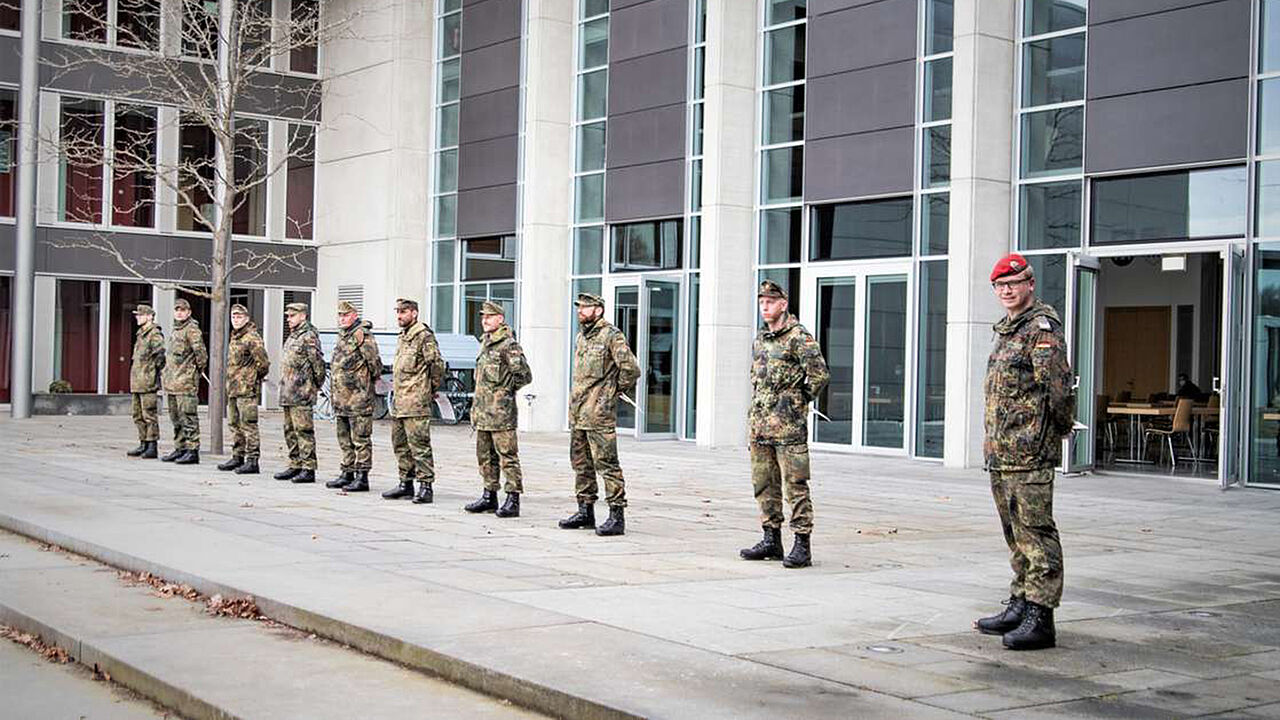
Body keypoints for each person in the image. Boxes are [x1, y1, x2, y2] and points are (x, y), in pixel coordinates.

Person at [975, 253, 1074, 651]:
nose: (1007, 291)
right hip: (1002, 451)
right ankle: (1020, 600)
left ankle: (1041, 615)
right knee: (1015, 533)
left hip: (1030, 450)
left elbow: (1057, 390)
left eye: (1013, 284)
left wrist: (1057, 432)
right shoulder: (1007, 329)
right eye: (1000, 286)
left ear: (1030, 284)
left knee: (1036, 532)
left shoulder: (1040, 329)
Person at [740, 280, 828, 569]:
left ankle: (802, 543)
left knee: (795, 485)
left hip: (788, 428)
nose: (764, 306)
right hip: (761, 426)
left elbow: (819, 375)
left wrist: (797, 402)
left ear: (783, 304)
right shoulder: (761, 338)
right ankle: (771, 538)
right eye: (761, 302)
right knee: (764, 485)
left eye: (770, 302)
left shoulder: (799, 338)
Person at [558, 292, 639, 536]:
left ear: (599, 310)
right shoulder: (581, 337)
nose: (581, 311)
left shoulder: (611, 336)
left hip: (599, 413)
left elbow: (631, 369)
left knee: (607, 463)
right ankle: (585, 511)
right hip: (579, 412)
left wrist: (611, 393)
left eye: (586, 307)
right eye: (580, 307)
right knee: (581, 463)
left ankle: (616, 515)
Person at [464, 301, 533, 518]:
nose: (484, 320)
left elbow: (524, 375)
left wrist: (504, 392)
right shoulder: (485, 342)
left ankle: (513, 499)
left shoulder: (508, 345)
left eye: (489, 317)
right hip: (483, 412)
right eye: (483, 316)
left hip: (501, 413)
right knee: (485, 457)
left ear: (500, 319)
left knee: (507, 457)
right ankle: (489, 496)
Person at [385, 298, 445, 504]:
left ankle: (426, 486)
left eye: (404, 312)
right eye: (398, 312)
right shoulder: (404, 336)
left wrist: (429, 389)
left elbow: (436, 364)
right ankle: (405, 483)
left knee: (419, 445)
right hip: (400, 400)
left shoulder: (423, 336)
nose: (399, 316)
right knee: (400, 444)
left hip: (416, 401)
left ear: (414, 313)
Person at [327, 301, 383, 493]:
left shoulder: (362, 334)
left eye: (345, 315)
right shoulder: (343, 335)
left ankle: (362, 476)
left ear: (354, 315)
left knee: (361, 438)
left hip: (358, 397)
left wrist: (365, 383)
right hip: (342, 398)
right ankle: (347, 471)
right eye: (340, 315)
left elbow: (374, 363)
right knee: (344, 437)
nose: (342, 318)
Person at [274, 303, 326, 484]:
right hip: (289, 391)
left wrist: (313, 386)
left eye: (292, 316)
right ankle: (295, 464)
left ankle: (308, 468)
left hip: (302, 392)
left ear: (303, 316)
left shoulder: (309, 336)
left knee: (303, 431)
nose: (289, 319)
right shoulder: (293, 336)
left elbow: (318, 365)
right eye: (288, 316)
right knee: (289, 430)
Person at [218, 304, 270, 475]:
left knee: (249, 424)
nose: (236, 319)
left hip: (246, 389)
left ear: (247, 318)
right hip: (233, 388)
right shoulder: (235, 337)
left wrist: (252, 379)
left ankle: (252, 460)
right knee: (234, 424)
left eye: (239, 317)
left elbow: (263, 363)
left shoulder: (251, 338)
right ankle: (237, 456)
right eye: (234, 317)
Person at [161, 298, 208, 465]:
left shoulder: (191, 330)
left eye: (183, 310)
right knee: (176, 418)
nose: (179, 313)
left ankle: (192, 449)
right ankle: (180, 447)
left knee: (188, 416)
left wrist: (194, 373)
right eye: (177, 310)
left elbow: (201, 355)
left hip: (186, 381)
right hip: (173, 381)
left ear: (189, 312)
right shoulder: (176, 330)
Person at [126, 303, 165, 459]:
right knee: (137, 414)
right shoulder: (141, 334)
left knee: (149, 414)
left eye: (141, 315)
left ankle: (152, 445)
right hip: (137, 380)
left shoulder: (154, 334)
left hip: (147, 381)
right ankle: (143, 442)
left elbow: (160, 356)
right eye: (137, 315)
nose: (138, 317)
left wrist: (152, 372)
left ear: (149, 316)